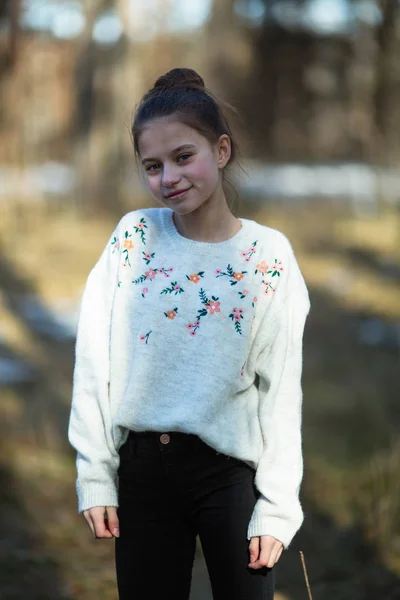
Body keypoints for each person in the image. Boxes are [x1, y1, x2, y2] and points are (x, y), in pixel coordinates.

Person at [68, 67, 311, 600]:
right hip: (141, 473)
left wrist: (276, 507)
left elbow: (281, 388)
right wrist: (95, 472)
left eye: (183, 156)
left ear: (221, 151)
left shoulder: (268, 256)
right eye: (152, 166)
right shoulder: (133, 237)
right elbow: (94, 362)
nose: (168, 177)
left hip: (228, 475)